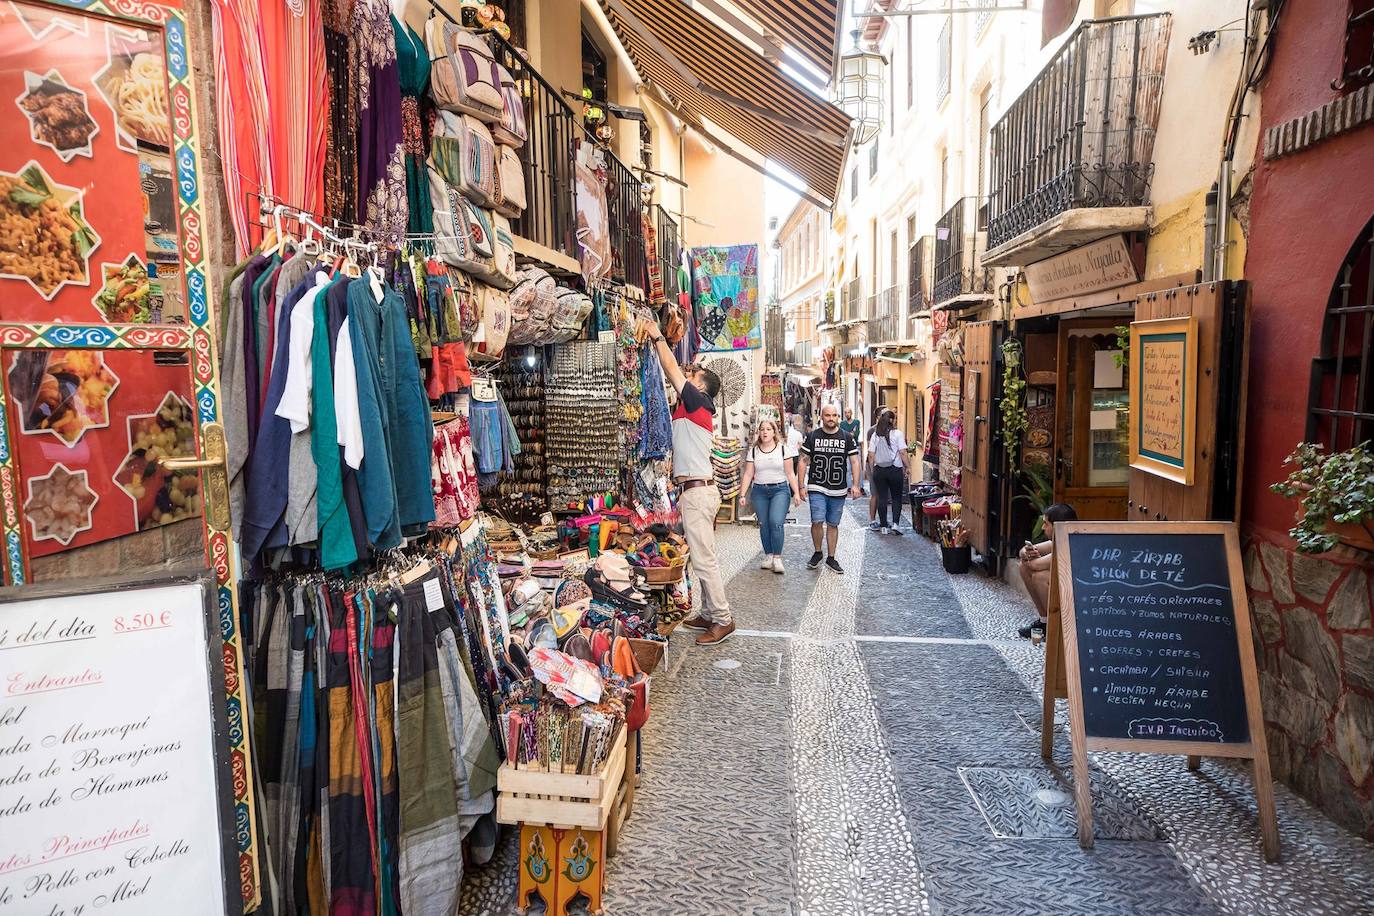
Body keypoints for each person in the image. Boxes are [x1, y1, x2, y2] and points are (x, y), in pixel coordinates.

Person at [641, 318, 735, 645]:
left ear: (700, 386)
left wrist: (657, 338)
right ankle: (709, 613)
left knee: (704, 558)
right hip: (695, 491)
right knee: (700, 555)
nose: (688, 374)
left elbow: (671, 371)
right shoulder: (691, 408)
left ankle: (723, 618)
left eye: (693, 375)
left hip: (697, 492)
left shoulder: (698, 402)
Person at [799, 404, 862, 574]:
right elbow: (803, 460)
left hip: (838, 488)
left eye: (834, 415)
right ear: (821, 416)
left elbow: (855, 461)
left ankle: (831, 557)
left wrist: (856, 485)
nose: (831, 418)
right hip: (816, 485)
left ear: (838, 417)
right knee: (817, 520)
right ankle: (818, 552)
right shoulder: (812, 436)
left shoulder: (847, 438)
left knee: (833, 524)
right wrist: (801, 486)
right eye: (828, 415)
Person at [739, 418, 802, 573]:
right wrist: (742, 494)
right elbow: (748, 474)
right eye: (762, 429)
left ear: (774, 432)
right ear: (759, 433)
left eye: (768, 429)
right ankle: (768, 555)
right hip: (759, 491)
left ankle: (777, 558)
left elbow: (790, 473)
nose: (765, 432)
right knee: (764, 524)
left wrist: (797, 493)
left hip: (780, 490)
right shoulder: (753, 451)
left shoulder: (782, 449)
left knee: (776, 522)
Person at [1017, 503, 1079, 639]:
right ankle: (1044, 621)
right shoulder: (1059, 539)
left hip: (1079, 598)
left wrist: (1028, 557)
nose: (1042, 527)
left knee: (1040, 577)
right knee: (1023, 567)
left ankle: (1056, 625)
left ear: (1057, 526)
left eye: (1046, 524)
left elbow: (1036, 566)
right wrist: (1026, 552)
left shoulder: (1070, 543)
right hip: (1067, 588)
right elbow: (1023, 552)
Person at [867, 408, 911, 535]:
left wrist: (872, 468)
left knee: (882, 497)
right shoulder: (898, 434)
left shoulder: (875, 435)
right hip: (895, 469)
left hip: (879, 470)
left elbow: (871, 455)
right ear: (892, 420)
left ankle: (884, 526)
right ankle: (896, 524)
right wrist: (907, 466)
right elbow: (902, 452)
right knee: (896, 497)